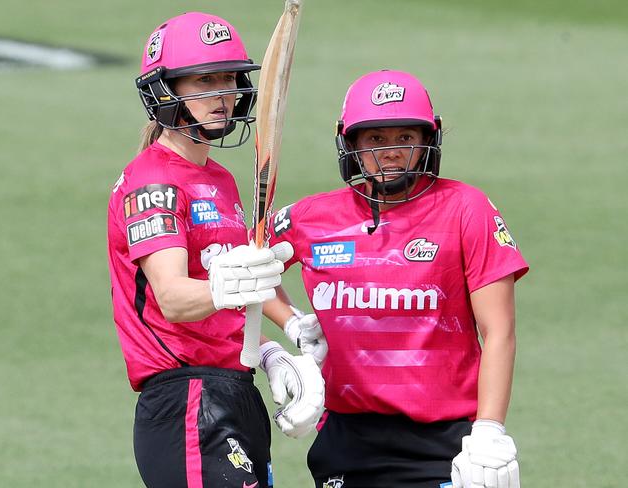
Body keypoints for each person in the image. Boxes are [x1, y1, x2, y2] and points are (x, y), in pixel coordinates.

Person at [263, 70, 529, 488]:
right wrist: (291, 323)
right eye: (375, 140)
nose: (391, 152)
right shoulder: (310, 218)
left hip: (445, 446)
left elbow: (499, 330)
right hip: (347, 443)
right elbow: (242, 270)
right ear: (349, 143)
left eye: (405, 138)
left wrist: (489, 429)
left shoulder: (467, 209)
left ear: (428, 140)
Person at [107, 12, 324, 488]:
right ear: (165, 90)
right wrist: (228, 284)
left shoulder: (221, 180)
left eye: (229, 78)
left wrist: (289, 332)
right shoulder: (152, 180)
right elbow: (175, 299)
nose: (224, 93)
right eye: (205, 80)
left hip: (234, 394)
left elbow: (242, 284)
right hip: (186, 401)